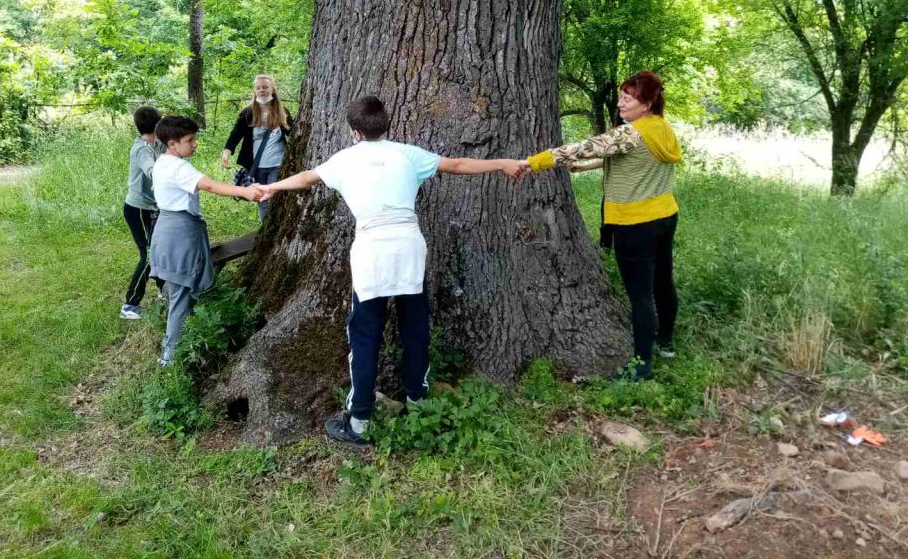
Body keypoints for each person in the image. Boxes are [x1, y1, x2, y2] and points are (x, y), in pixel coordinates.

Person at [258, 95, 527, 446]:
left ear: (354, 131)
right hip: (409, 246)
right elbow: (458, 164)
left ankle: (360, 422)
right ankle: (417, 400)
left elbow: (307, 178)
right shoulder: (407, 154)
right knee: (414, 327)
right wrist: (503, 162)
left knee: (365, 335)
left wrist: (269, 187)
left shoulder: (345, 159)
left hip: (372, 250)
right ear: (387, 123)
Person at [524, 71, 682, 381]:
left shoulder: (630, 133)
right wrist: (583, 168)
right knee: (664, 280)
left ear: (647, 103)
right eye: (622, 96)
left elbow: (587, 146)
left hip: (635, 222)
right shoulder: (660, 128)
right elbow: (624, 156)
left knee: (641, 295)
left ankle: (641, 367)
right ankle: (666, 341)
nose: (621, 103)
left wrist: (535, 162)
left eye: (628, 98)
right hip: (665, 215)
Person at [151, 116, 264, 366]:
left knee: (178, 290)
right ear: (172, 143)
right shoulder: (178, 168)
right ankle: (169, 357)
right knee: (181, 292)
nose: (195, 144)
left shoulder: (163, 163)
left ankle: (180, 340)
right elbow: (210, 186)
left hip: (168, 229)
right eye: (189, 140)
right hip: (179, 232)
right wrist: (245, 191)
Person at [221, 75, 295, 221]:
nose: (262, 90)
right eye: (258, 88)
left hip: (277, 164)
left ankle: (278, 227)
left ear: (272, 89)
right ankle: (266, 229)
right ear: (254, 90)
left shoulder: (282, 111)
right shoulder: (248, 112)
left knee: (275, 197)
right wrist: (227, 152)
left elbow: (292, 133)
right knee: (262, 199)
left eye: (265, 87)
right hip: (257, 165)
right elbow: (236, 134)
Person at [121, 106, 167, 320]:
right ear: (157, 125)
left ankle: (164, 292)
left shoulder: (157, 143)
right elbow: (151, 170)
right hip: (138, 210)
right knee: (148, 256)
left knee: (158, 250)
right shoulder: (142, 149)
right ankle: (129, 305)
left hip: (153, 208)